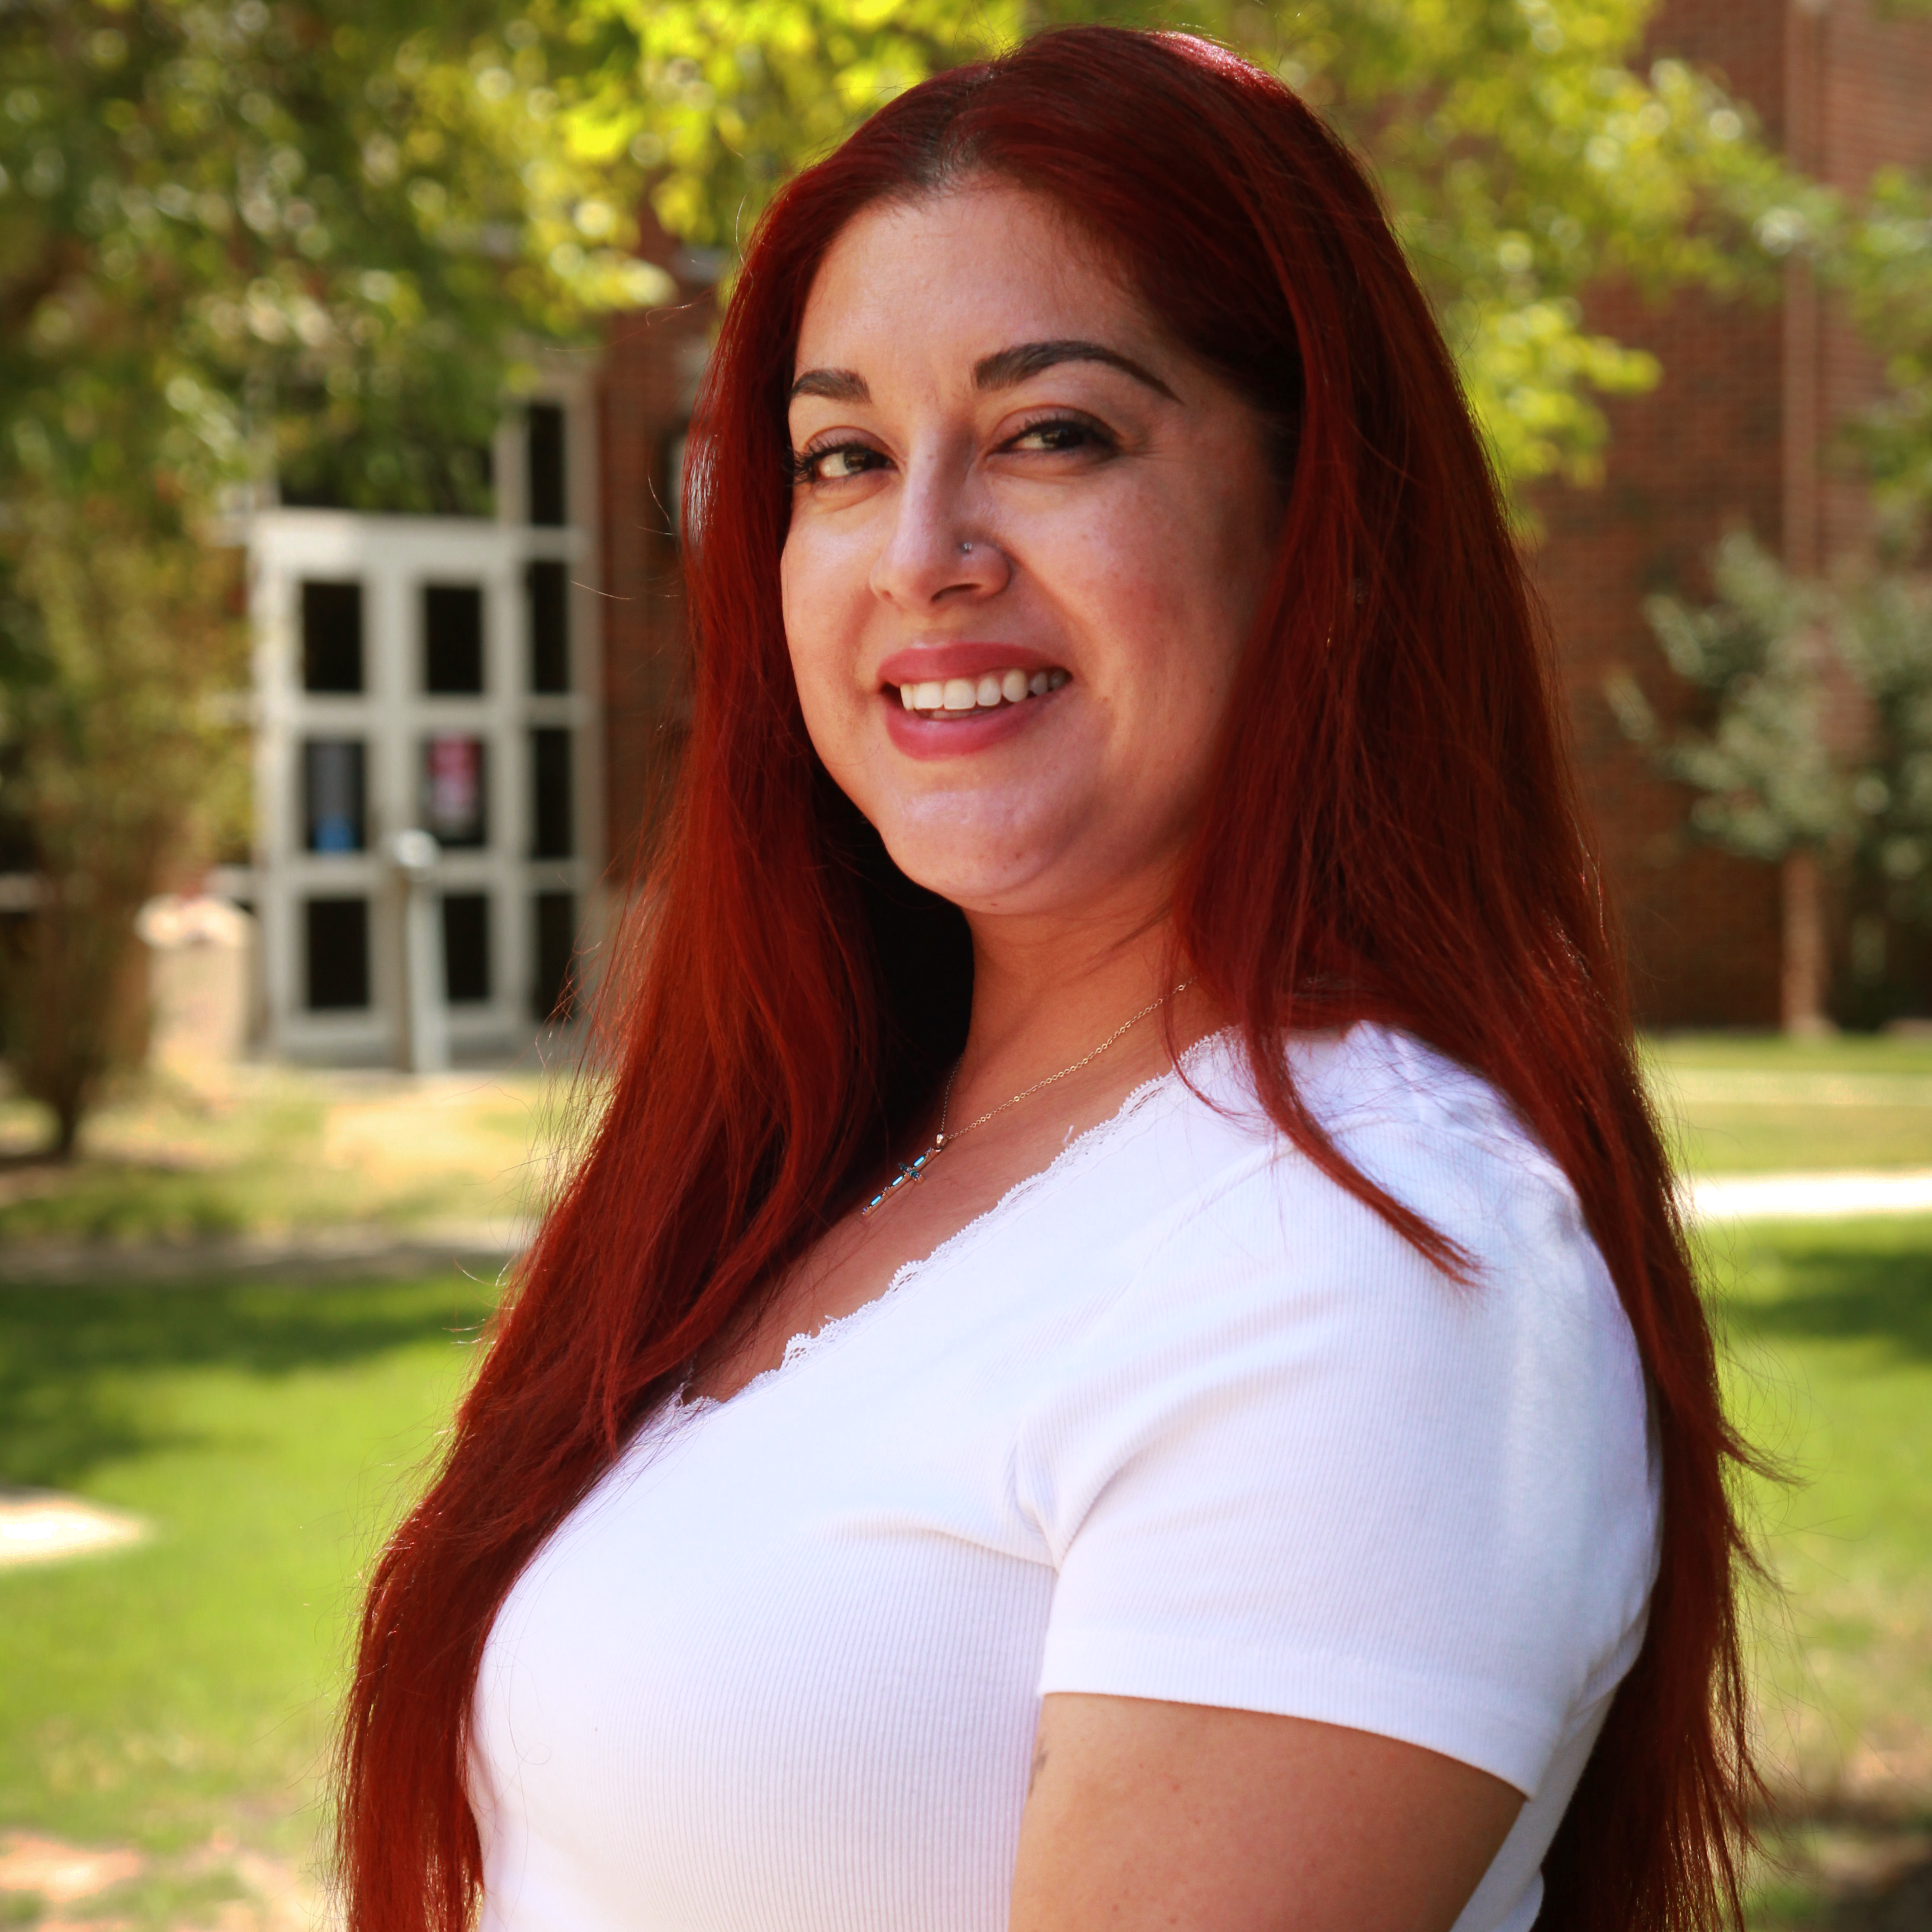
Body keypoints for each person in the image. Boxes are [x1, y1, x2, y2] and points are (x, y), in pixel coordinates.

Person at [337, 28, 1757, 1932]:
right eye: (843, 458)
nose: (921, 556)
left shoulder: (1367, 1250)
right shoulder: (850, 1148)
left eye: (1052, 434)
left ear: (1316, 505)